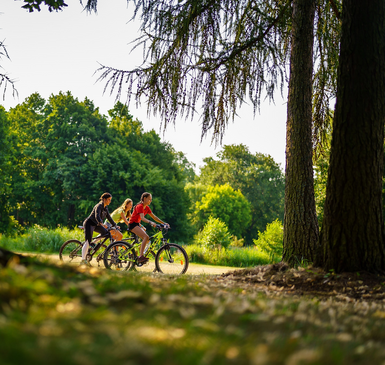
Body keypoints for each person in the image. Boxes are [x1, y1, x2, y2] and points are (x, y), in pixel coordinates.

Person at [128, 192, 169, 263]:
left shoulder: (146, 208)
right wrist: (151, 223)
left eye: (151, 199)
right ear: (144, 198)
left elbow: (154, 217)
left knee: (147, 240)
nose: (151, 200)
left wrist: (163, 223)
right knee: (146, 237)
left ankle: (135, 255)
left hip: (137, 224)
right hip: (132, 224)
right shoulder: (139, 206)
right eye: (149, 199)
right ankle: (141, 256)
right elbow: (142, 218)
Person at [80, 192, 117, 266]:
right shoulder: (99, 206)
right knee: (87, 241)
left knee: (106, 233)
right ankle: (83, 260)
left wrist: (115, 225)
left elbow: (109, 217)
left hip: (96, 224)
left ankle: (93, 243)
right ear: (104, 199)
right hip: (89, 223)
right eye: (109, 199)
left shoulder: (105, 208)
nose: (110, 201)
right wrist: (101, 223)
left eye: (110, 200)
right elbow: (97, 216)